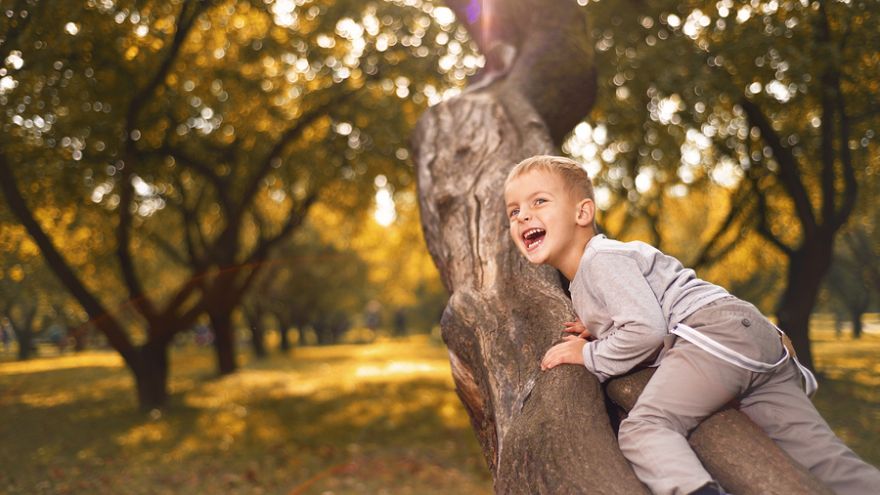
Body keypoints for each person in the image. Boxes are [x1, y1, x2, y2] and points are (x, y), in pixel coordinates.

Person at [503, 155, 880, 495]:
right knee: (824, 459)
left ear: (583, 213)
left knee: (644, 428)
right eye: (513, 211)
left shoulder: (600, 259)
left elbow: (646, 332)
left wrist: (589, 353)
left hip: (714, 335)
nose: (522, 216)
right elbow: (643, 308)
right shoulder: (598, 269)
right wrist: (600, 326)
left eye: (539, 201)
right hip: (755, 337)